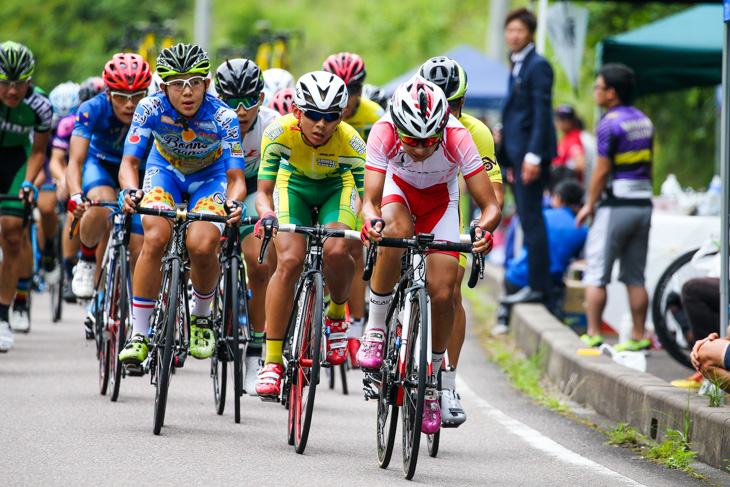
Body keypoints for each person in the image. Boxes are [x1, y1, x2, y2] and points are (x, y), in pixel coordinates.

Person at [359, 77, 501, 434]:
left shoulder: (457, 136)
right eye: (412, 140)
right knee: (395, 233)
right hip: (399, 192)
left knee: (443, 291)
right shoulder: (383, 130)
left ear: (442, 126)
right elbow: (371, 201)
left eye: (428, 140)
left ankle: (433, 380)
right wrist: (371, 222)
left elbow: (490, 206)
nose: (420, 148)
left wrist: (483, 230)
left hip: (441, 201)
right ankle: (376, 328)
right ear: (398, 127)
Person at [118, 43, 246, 368]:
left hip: (211, 177)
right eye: (177, 83)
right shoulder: (148, 108)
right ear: (164, 87)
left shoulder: (224, 116)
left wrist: (235, 202)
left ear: (207, 83)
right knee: (155, 238)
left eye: (195, 82)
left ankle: (202, 317)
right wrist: (130, 191)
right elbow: (129, 163)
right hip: (165, 172)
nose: (186, 92)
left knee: (202, 247)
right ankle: (139, 334)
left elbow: (236, 177)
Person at [253, 71, 365, 399]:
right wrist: (268, 215)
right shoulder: (277, 132)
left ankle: (335, 317)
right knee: (289, 260)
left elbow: (368, 198)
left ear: (341, 116)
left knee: (335, 251)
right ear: (298, 112)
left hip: (336, 189)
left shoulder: (352, 142)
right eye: (313, 115)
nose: (321, 124)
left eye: (331, 117)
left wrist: (371, 222)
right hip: (293, 188)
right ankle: (272, 362)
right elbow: (263, 192)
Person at [418, 56, 504, 427]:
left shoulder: (474, 132)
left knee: (450, 289)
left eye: (451, 105)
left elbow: (490, 195)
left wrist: (480, 229)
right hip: (409, 200)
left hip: (448, 205)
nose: (443, 113)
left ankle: (447, 382)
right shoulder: (405, 120)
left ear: (462, 104)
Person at [214, 58, 281, 395]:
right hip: (216, 181)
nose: (241, 111)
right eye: (231, 102)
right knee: (201, 245)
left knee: (260, 262)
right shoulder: (207, 120)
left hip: (256, 185)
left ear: (262, 98)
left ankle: (257, 345)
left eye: (249, 100)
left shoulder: (271, 125)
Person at [576, 63, 654, 351]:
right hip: (643, 204)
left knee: (596, 271)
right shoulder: (644, 120)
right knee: (636, 275)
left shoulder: (609, 122)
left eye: (598, 87)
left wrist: (589, 204)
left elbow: (601, 170)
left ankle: (594, 332)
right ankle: (638, 335)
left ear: (611, 93)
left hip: (615, 205)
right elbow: (649, 166)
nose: (595, 91)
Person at [66, 54, 152, 308]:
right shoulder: (92, 109)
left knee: (140, 245)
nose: (130, 104)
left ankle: (137, 314)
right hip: (101, 163)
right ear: (107, 93)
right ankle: (87, 260)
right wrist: (75, 194)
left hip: (140, 169)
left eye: (137, 96)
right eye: (121, 96)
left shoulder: (155, 109)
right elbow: (75, 162)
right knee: (100, 203)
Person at [322, 52, 385, 363]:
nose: (348, 100)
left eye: (355, 91)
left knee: (354, 246)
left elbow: (377, 168)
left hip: (357, 180)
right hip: (319, 177)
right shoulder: (318, 110)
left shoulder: (375, 115)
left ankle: (356, 325)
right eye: (342, 91)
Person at [497, 8, 557, 307]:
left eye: (519, 30)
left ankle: (539, 287)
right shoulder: (518, 63)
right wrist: (509, 159)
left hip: (530, 157)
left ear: (531, 33)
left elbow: (541, 112)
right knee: (527, 218)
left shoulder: (538, 66)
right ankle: (535, 284)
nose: (514, 36)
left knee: (532, 219)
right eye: (510, 30)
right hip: (518, 157)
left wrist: (532, 156)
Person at [0, 41, 52, 346]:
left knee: (11, 233)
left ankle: (3, 315)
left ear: (29, 80)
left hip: (19, 162)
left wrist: (30, 182)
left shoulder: (41, 106)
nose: (12, 91)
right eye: (5, 83)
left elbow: (39, 152)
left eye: (19, 83)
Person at [496, 179, 587, 331]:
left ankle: (503, 317)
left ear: (557, 198)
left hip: (515, 279)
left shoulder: (541, 216)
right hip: (549, 286)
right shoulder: (582, 229)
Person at [552, 104, 586, 182]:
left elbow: (580, 164)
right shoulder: (565, 137)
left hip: (568, 186)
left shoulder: (574, 138)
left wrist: (562, 174)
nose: (561, 122)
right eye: (559, 119)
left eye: (564, 119)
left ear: (572, 120)